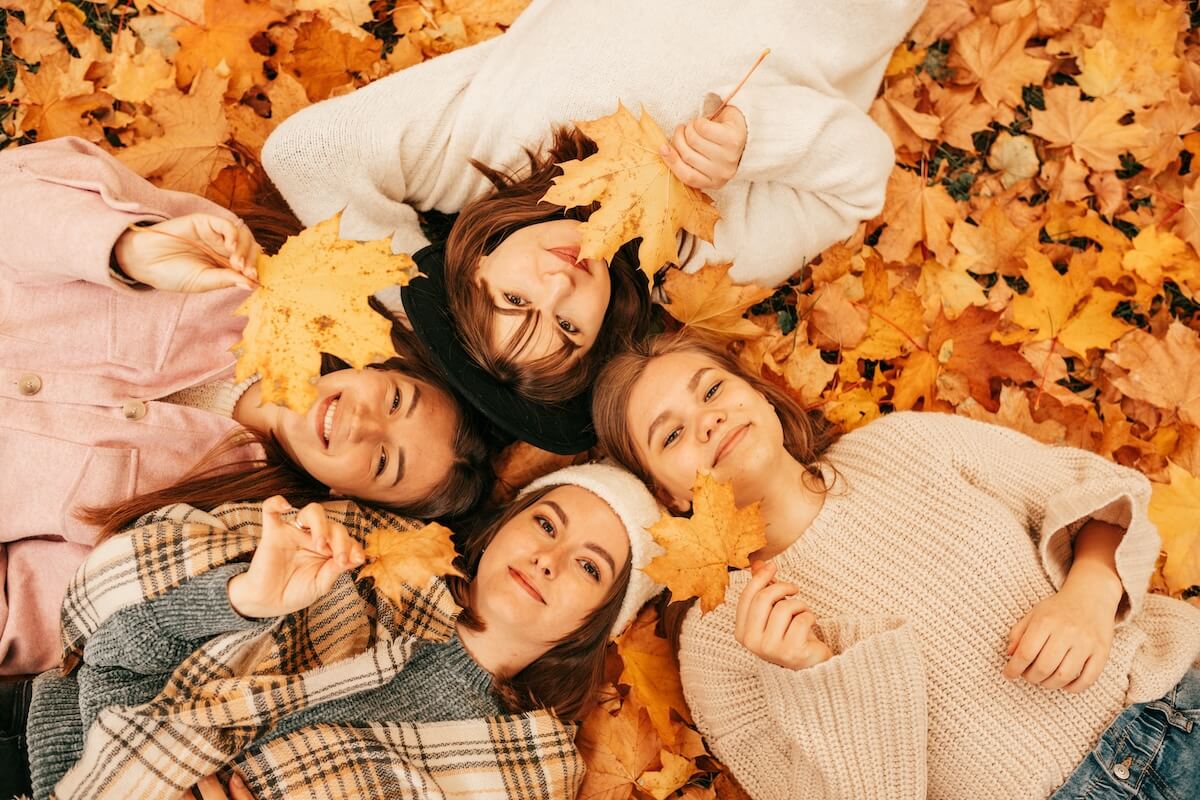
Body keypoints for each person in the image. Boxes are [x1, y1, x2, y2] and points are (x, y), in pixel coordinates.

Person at [261, 0, 927, 432]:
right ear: (602, 329)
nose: (559, 286)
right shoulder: (697, 253)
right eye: (568, 329)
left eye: (515, 299)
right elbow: (858, 184)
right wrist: (757, 139)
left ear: (476, 264)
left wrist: (419, 307)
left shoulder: (469, 158)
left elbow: (304, 153)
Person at [591, 331, 1200, 800]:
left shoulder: (901, 445)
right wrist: (814, 672)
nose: (708, 420)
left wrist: (1089, 596)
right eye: (671, 436)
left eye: (713, 389)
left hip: (1172, 711)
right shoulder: (719, 642)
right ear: (667, 495)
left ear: (757, 394)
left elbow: (1097, 490)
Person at [0, 137, 493, 678]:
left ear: (346, 496)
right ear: (386, 365)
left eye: (383, 462)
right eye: (397, 401)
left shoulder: (210, 529)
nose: (365, 424)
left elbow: (31, 618)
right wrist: (126, 251)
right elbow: (14, 190)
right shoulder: (244, 281)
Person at [19, 463, 664, 800]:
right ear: (504, 526)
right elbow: (114, 650)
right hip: (40, 745)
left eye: (589, 566)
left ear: (600, 622)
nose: (549, 558)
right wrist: (245, 599)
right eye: (547, 523)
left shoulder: (526, 768)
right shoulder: (359, 558)